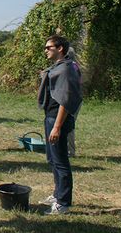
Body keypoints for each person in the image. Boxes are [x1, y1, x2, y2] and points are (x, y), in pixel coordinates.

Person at [37, 35, 82, 215]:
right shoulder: (60, 66)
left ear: (60, 48)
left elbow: (65, 100)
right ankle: (58, 194)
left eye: (49, 47)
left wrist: (57, 127)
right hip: (50, 117)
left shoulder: (65, 69)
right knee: (53, 159)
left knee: (61, 161)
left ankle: (63, 203)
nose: (46, 50)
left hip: (57, 119)